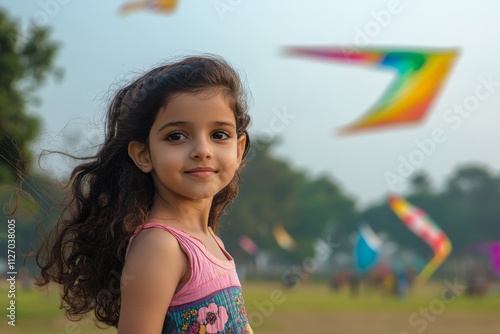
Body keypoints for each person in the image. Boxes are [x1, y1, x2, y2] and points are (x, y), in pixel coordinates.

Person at [35, 55, 254, 333]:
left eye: (219, 134)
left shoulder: (210, 239)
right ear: (143, 154)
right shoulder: (160, 247)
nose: (203, 149)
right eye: (176, 136)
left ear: (238, 148)